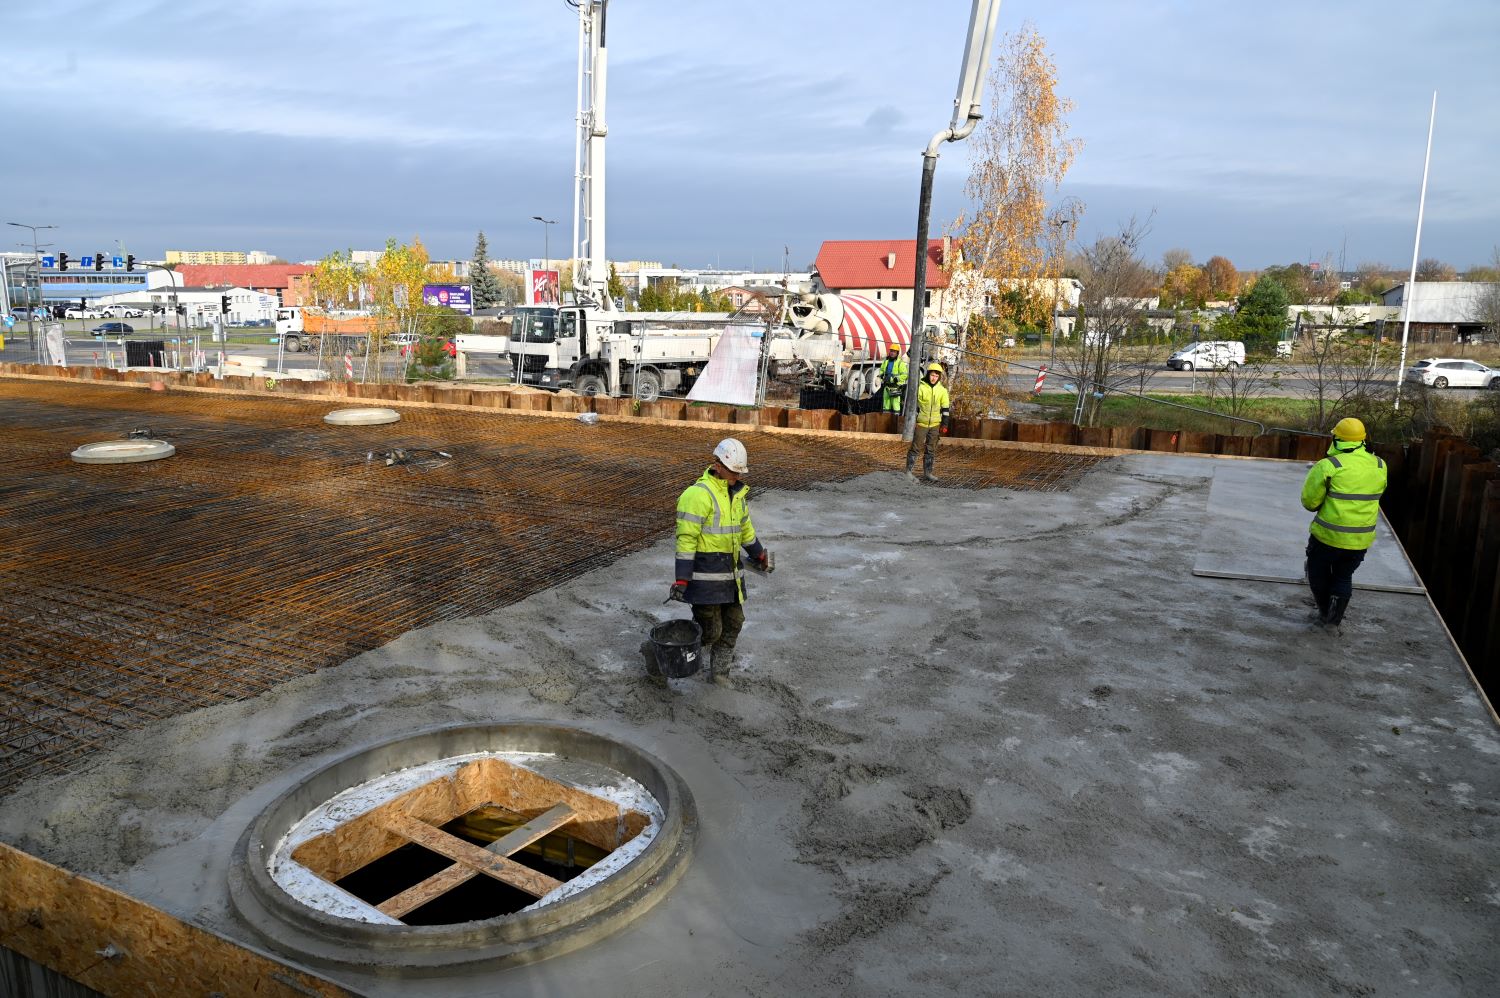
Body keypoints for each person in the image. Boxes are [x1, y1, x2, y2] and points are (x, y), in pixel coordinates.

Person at [669, 438, 772, 685]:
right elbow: (686, 539)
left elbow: (745, 529)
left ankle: (720, 675)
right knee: (710, 631)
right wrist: (682, 578)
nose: (736, 476)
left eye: (739, 472)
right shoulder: (697, 495)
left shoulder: (737, 496)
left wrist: (758, 553)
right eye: (733, 471)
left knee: (734, 623)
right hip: (704, 579)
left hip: (731, 577)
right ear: (718, 465)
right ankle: (659, 653)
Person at [1300, 417, 1388, 629]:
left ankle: (1323, 614)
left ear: (1337, 439)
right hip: (1360, 539)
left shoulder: (1329, 466)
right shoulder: (1379, 465)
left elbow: (1309, 502)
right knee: (1343, 576)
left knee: (1318, 574)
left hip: (1327, 537)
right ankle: (1334, 620)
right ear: (1362, 440)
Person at [906, 363, 951, 483]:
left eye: (936, 376)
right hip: (922, 423)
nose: (934, 378)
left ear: (939, 377)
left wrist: (945, 424)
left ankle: (928, 473)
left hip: (935, 424)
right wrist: (913, 422)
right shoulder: (921, 387)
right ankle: (909, 472)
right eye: (932, 375)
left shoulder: (942, 390)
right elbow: (914, 406)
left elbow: (945, 409)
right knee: (915, 447)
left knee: (931, 449)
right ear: (928, 375)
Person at [879, 343, 908, 415]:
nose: (892, 353)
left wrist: (897, 379)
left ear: (897, 353)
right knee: (886, 406)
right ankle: (886, 421)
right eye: (891, 351)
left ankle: (896, 421)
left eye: (894, 351)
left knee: (895, 406)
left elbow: (905, 375)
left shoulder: (900, 363)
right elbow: (881, 370)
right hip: (886, 387)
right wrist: (881, 375)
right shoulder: (886, 361)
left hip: (895, 388)